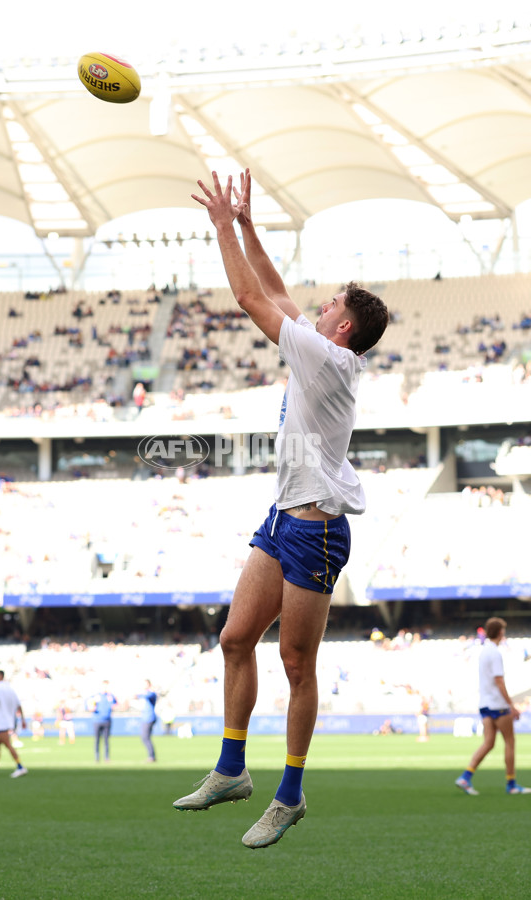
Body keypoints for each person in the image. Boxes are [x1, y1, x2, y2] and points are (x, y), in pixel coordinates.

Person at [173, 170, 389, 848]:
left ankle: (289, 795)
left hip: (316, 531)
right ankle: (232, 769)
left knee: (298, 664)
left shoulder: (323, 359)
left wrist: (217, 226)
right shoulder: (322, 348)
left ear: (342, 326)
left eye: (326, 305)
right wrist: (246, 225)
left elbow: (247, 294)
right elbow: (274, 288)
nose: (312, 307)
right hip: (283, 515)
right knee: (236, 638)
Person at [455, 617, 531, 796]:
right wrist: (511, 705)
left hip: (485, 704)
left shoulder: (483, 652)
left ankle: (466, 776)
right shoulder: (495, 653)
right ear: (500, 632)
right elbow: (499, 681)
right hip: (498, 705)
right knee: (510, 743)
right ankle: (511, 784)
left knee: (488, 743)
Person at [88, 681, 117, 763]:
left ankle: (106, 757)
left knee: (106, 740)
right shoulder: (96, 696)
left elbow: (116, 704)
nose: (105, 688)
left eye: (107, 686)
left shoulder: (111, 696)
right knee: (97, 739)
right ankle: (97, 757)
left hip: (107, 720)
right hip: (97, 720)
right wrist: (91, 708)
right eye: (104, 686)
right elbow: (89, 705)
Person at [136, 680, 158, 763]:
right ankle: (151, 756)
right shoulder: (145, 693)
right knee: (146, 738)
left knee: (145, 737)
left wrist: (137, 695)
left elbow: (148, 696)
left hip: (149, 717)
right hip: (145, 717)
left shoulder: (150, 693)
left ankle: (151, 756)